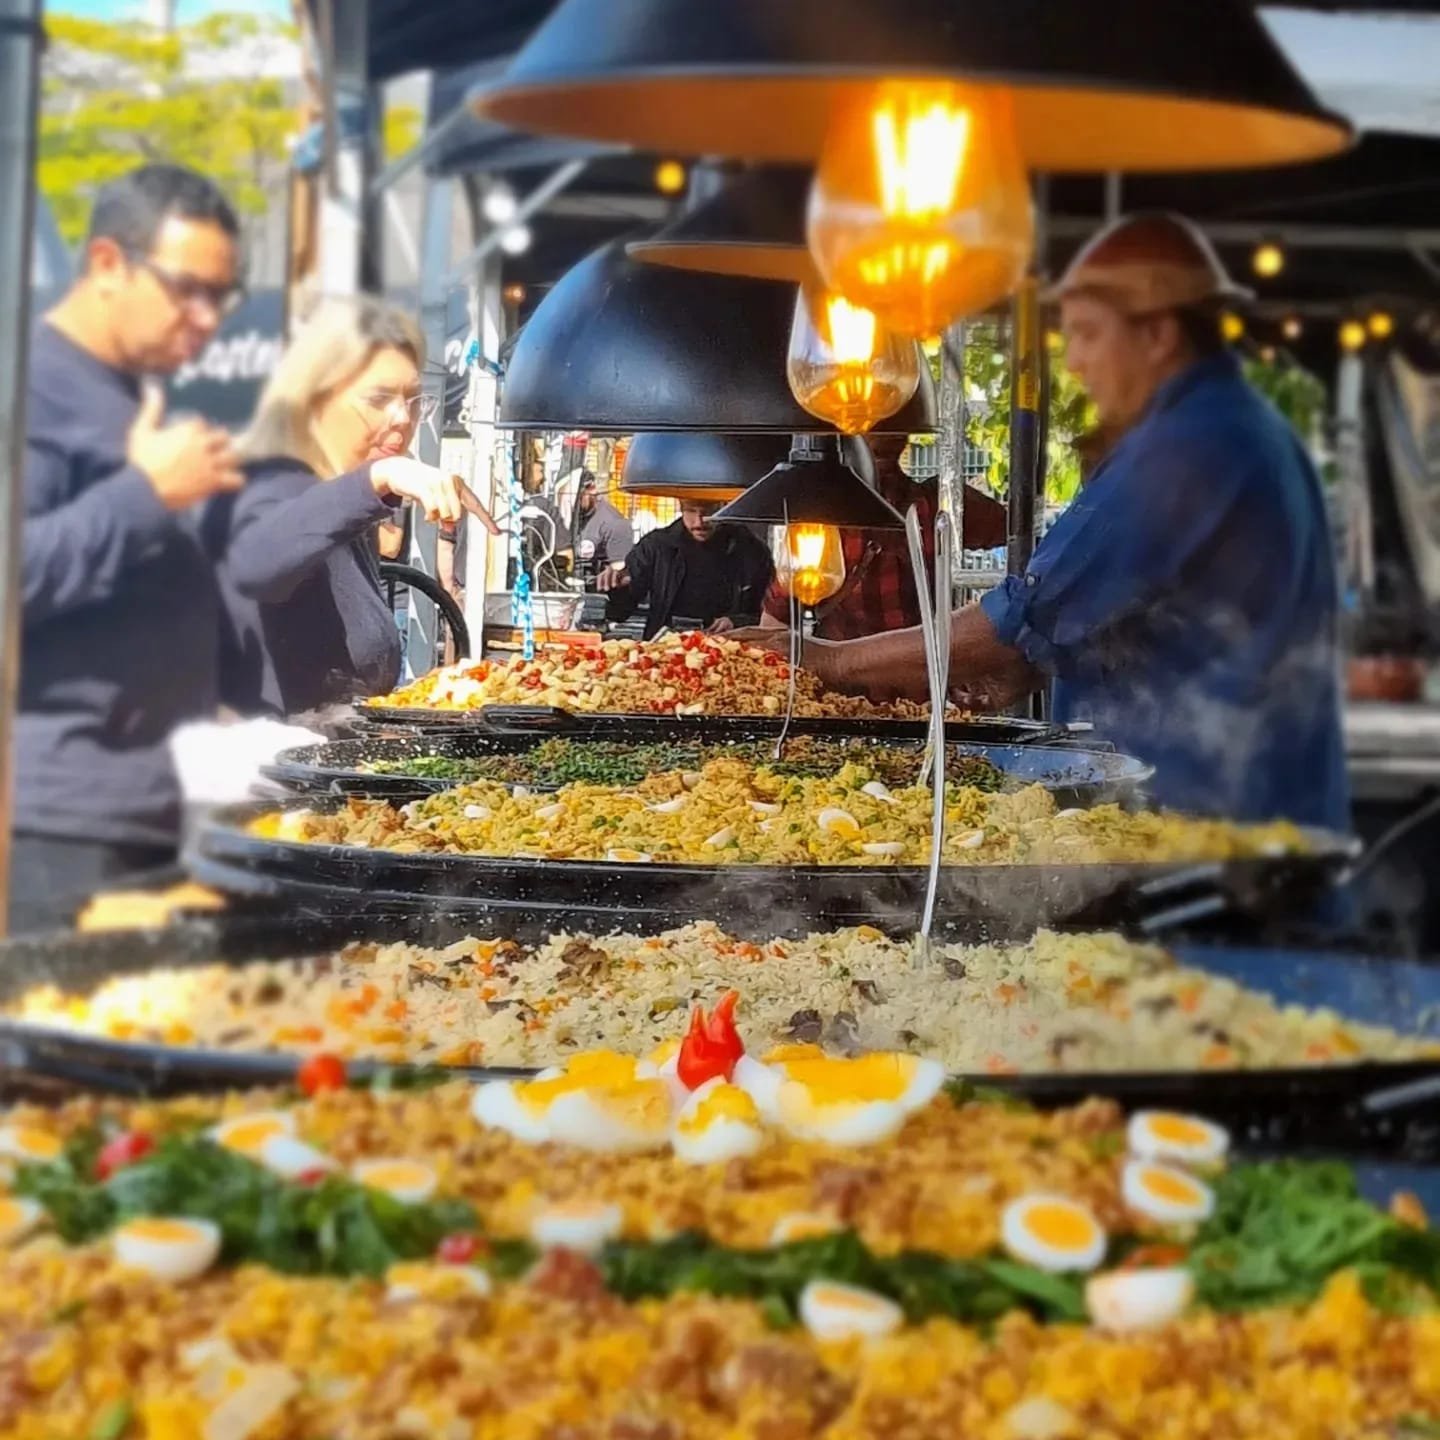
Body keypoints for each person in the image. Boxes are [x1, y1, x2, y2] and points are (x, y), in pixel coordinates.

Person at [740, 213, 1348, 829]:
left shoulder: (1186, 447)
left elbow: (1024, 613)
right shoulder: (1236, 425)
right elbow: (1125, 615)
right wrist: (1022, 665)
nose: (1075, 362)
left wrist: (826, 660)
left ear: (1159, 334)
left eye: (1086, 334)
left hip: (1208, 815)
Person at [12, 164, 246, 933]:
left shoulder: (109, 392)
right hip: (55, 829)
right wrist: (145, 494)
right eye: (188, 289)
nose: (206, 320)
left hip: (128, 816)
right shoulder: (33, 392)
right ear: (108, 264)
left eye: (221, 297)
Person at [210, 296, 498, 718]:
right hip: (266, 757)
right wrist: (377, 479)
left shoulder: (346, 502)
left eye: (414, 400)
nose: (403, 418)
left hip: (337, 754)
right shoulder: (268, 479)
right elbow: (253, 563)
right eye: (378, 398)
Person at [599, 500, 773, 638]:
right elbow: (620, 613)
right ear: (681, 508)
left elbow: (772, 615)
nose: (699, 522)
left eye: (709, 511)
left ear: (723, 506)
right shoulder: (656, 546)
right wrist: (617, 587)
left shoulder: (749, 549)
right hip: (666, 648)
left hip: (729, 649)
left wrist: (737, 622)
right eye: (691, 511)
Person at [567, 470, 634, 581]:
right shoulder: (566, 515)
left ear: (592, 489)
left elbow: (620, 575)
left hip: (595, 587)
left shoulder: (614, 523)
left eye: (577, 496)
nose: (571, 502)